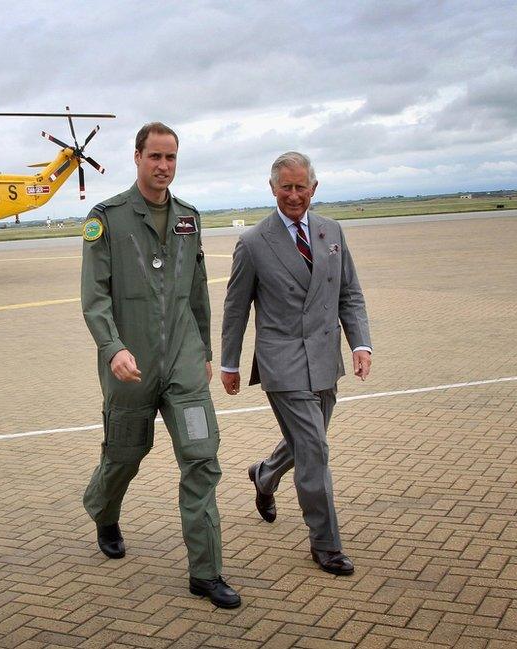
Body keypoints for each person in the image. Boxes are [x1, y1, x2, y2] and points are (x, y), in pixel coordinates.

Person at [81, 122, 240, 608]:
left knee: (201, 457)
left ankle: (205, 572)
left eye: (171, 158)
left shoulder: (189, 218)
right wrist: (113, 348)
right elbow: (95, 297)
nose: (164, 166)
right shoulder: (106, 218)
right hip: (129, 366)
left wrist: (206, 353)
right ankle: (103, 510)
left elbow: (198, 294)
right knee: (126, 454)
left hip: (184, 365)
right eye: (155, 157)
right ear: (137, 157)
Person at [220, 151, 372, 575]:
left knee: (309, 442)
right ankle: (325, 544)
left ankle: (265, 474)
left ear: (313, 188)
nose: (293, 195)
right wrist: (230, 363)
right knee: (315, 448)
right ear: (272, 188)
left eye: (300, 186)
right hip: (281, 361)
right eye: (284, 187)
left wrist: (361, 344)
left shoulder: (332, 232)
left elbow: (349, 294)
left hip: (325, 358)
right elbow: (236, 309)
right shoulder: (253, 242)